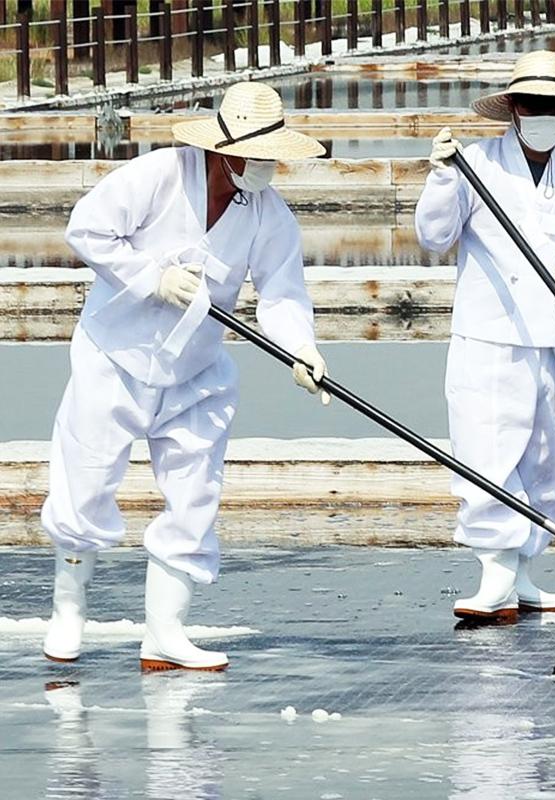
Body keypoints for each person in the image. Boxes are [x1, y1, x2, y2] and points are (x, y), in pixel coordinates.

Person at [41, 82, 331, 671]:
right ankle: (68, 608)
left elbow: (281, 293)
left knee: (195, 492)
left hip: (196, 369)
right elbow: (86, 229)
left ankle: (165, 631)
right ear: (224, 150)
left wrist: (302, 349)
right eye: (257, 153)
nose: (266, 165)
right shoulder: (157, 176)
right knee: (86, 482)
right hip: (114, 357)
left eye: (272, 154)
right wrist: (152, 277)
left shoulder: (269, 215)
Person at [415, 50, 555, 623]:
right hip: (491, 336)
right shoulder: (474, 163)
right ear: (513, 107)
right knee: (489, 450)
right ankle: (495, 573)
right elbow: (435, 237)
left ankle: (526, 573)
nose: (545, 115)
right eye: (535, 104)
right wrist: (439, 178)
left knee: (550, 457)